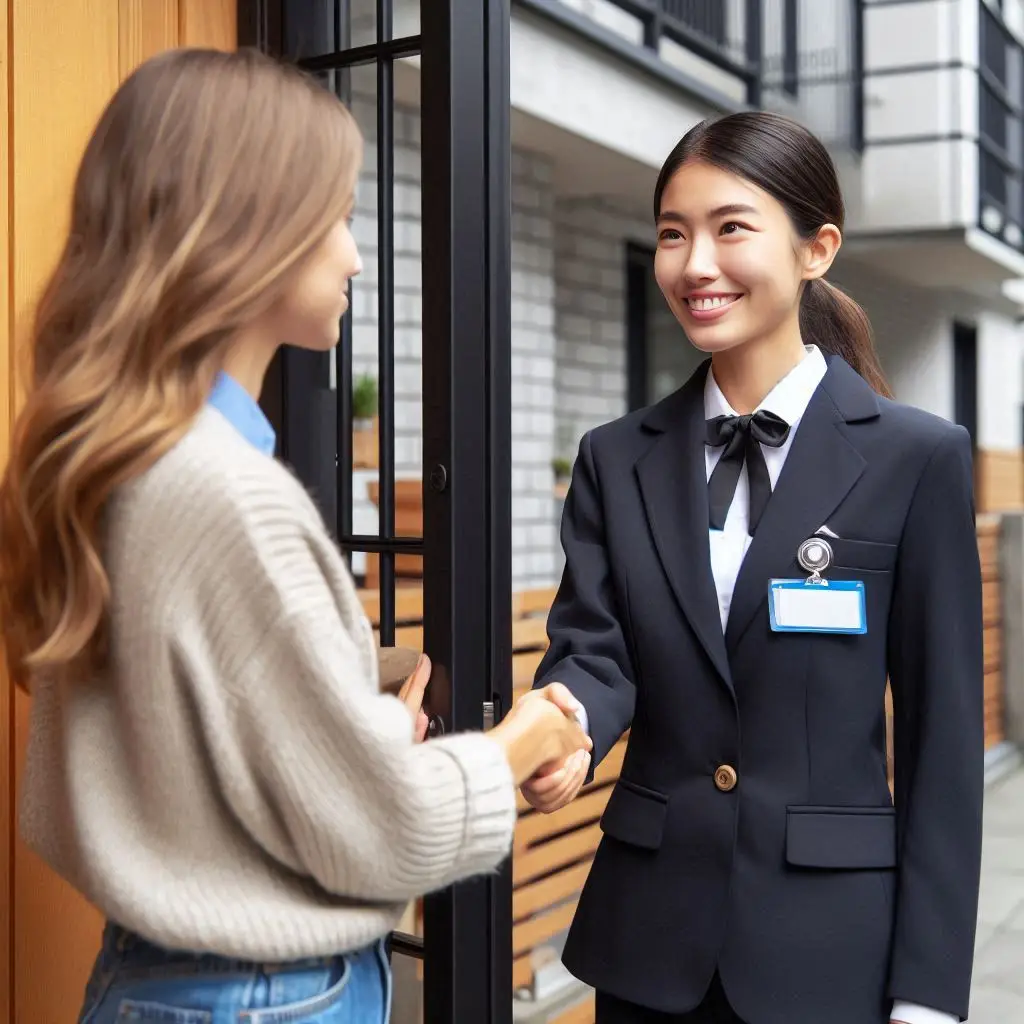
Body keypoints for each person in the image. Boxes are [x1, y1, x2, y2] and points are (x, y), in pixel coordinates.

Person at [0, 48, 590, 1024]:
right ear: (247, 233)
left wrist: (362, 690)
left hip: (157, 980)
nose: (355, 253)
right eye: (336, 216)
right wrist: (525, 733)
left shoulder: (113, 461)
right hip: (265, 996)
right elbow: (391, 829)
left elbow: (190, 706)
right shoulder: (227, 494)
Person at [523, 111, 983, 1024]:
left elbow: (942, 743)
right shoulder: (616, 457)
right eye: (671, 233)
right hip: (650, 942)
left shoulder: (915, 459)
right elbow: (594, 648)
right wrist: (568, 726)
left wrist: (928, 994)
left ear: (817, 249)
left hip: (830, 950)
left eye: (731, 228)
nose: (695, 264)